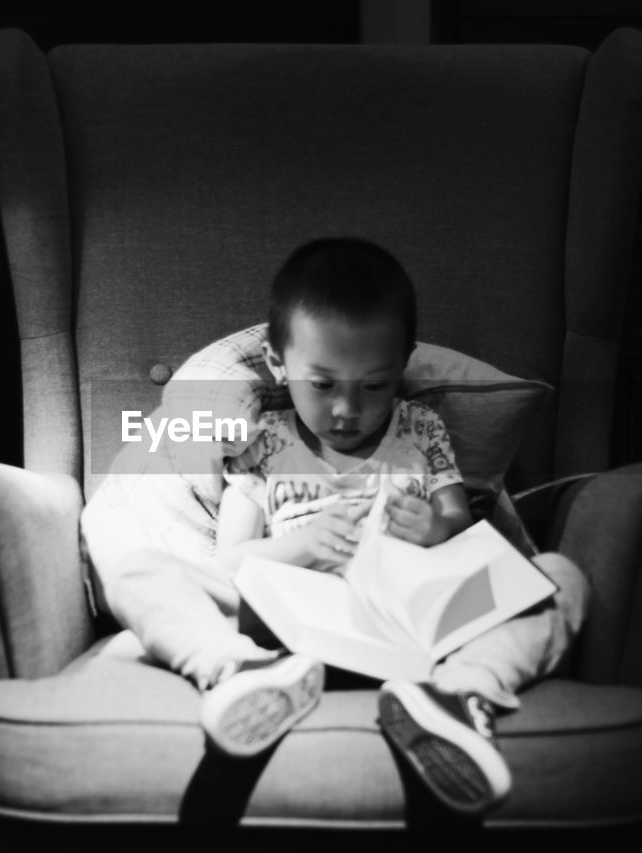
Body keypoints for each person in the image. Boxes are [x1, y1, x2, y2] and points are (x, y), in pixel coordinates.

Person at [82, 237, 589, 816]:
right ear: (279, 364)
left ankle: (462, 693)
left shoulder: (419, 429)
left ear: (402, 366)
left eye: (374, 385)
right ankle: (237, 672)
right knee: (140, 570)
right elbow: (229, 560)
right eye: (322, 385)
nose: (347, 411)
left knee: (559, 576)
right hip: (286, 626)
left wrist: (433, 527)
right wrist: (297, 547)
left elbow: (457, 518)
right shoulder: (265, 442)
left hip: (410, 621)